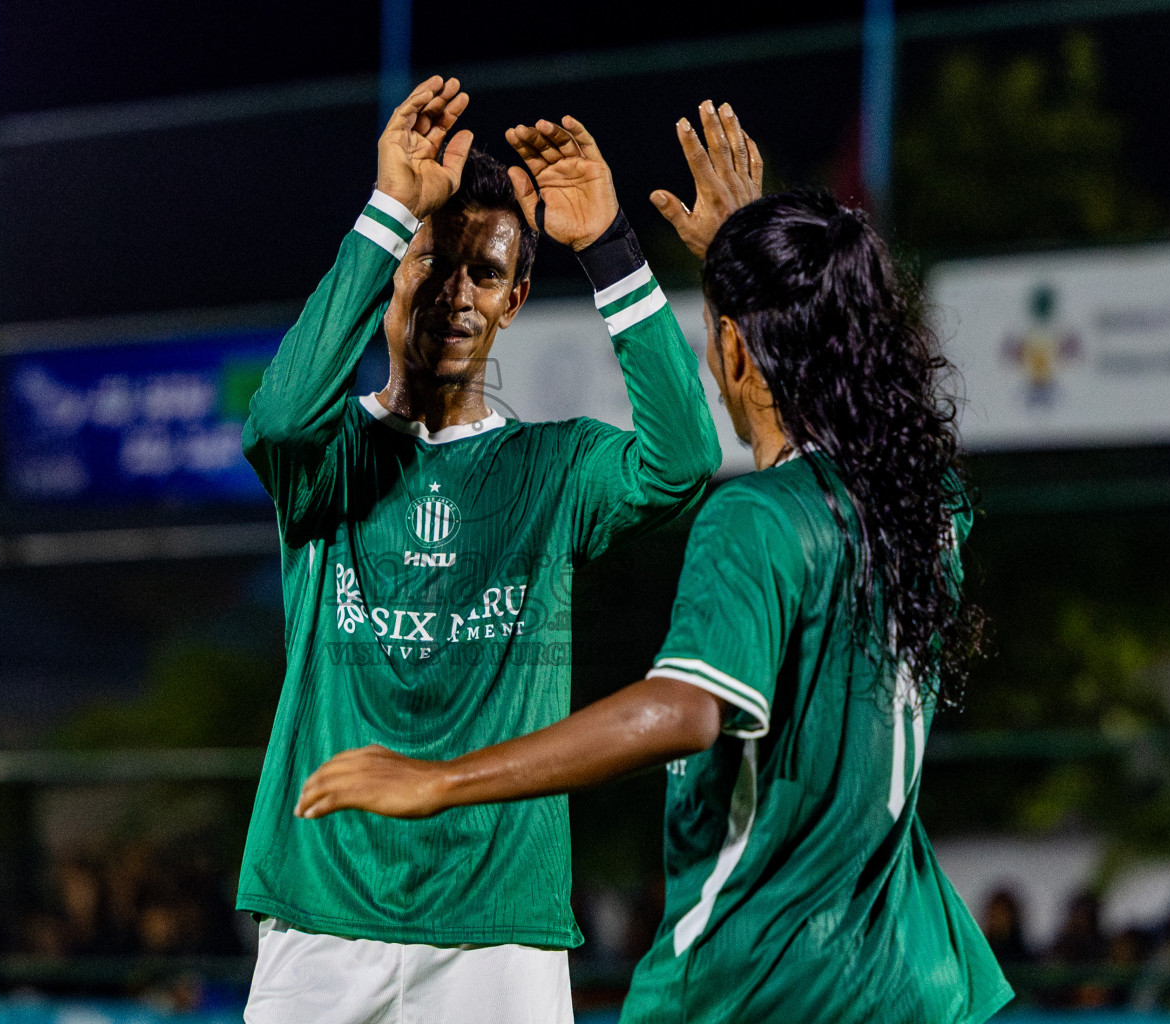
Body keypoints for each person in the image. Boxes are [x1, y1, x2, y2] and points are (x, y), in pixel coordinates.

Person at [297, 109, 1013, 1023]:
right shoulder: (925, 510)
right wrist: (756, 259)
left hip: (763, 980)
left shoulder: (756, 519)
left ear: (735, 351)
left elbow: (684, 711)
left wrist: (442, 778)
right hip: (920, 979)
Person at [237, 75, 721, 1023]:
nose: (457, 294)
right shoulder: (332, 458)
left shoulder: (554, 468)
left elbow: (684, 462)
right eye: (434, 263)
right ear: (392, 277)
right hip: (323, 922)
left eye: (486, 273)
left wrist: (613, 251)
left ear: (515, 298)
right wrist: (385, 213)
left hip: (501, 935)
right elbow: (280, 416)